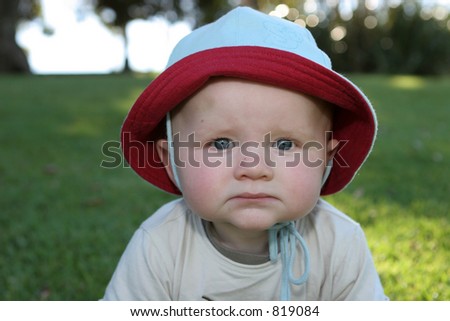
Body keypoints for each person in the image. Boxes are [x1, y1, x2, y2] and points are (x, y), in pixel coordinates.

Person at [102, 7, 388, 300]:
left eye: (285, 145)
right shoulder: (159, 246)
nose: (254, 168)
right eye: (222, 144)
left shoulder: (339, 243)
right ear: (172, 158)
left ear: (326, 158)